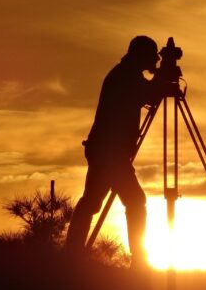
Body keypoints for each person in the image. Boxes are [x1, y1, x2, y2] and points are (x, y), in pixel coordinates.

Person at [66, 36, 162, 268]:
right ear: (140, 55)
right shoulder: (125, 76)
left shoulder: (125, 74)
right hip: (110, 153)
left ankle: (71, 256)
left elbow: (147, 93)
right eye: (152, 55)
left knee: (92, 202)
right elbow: (149, 95)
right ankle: (139, 261)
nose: (155, 59)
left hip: (106, 151)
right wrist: (162, 77)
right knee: (134, 201)